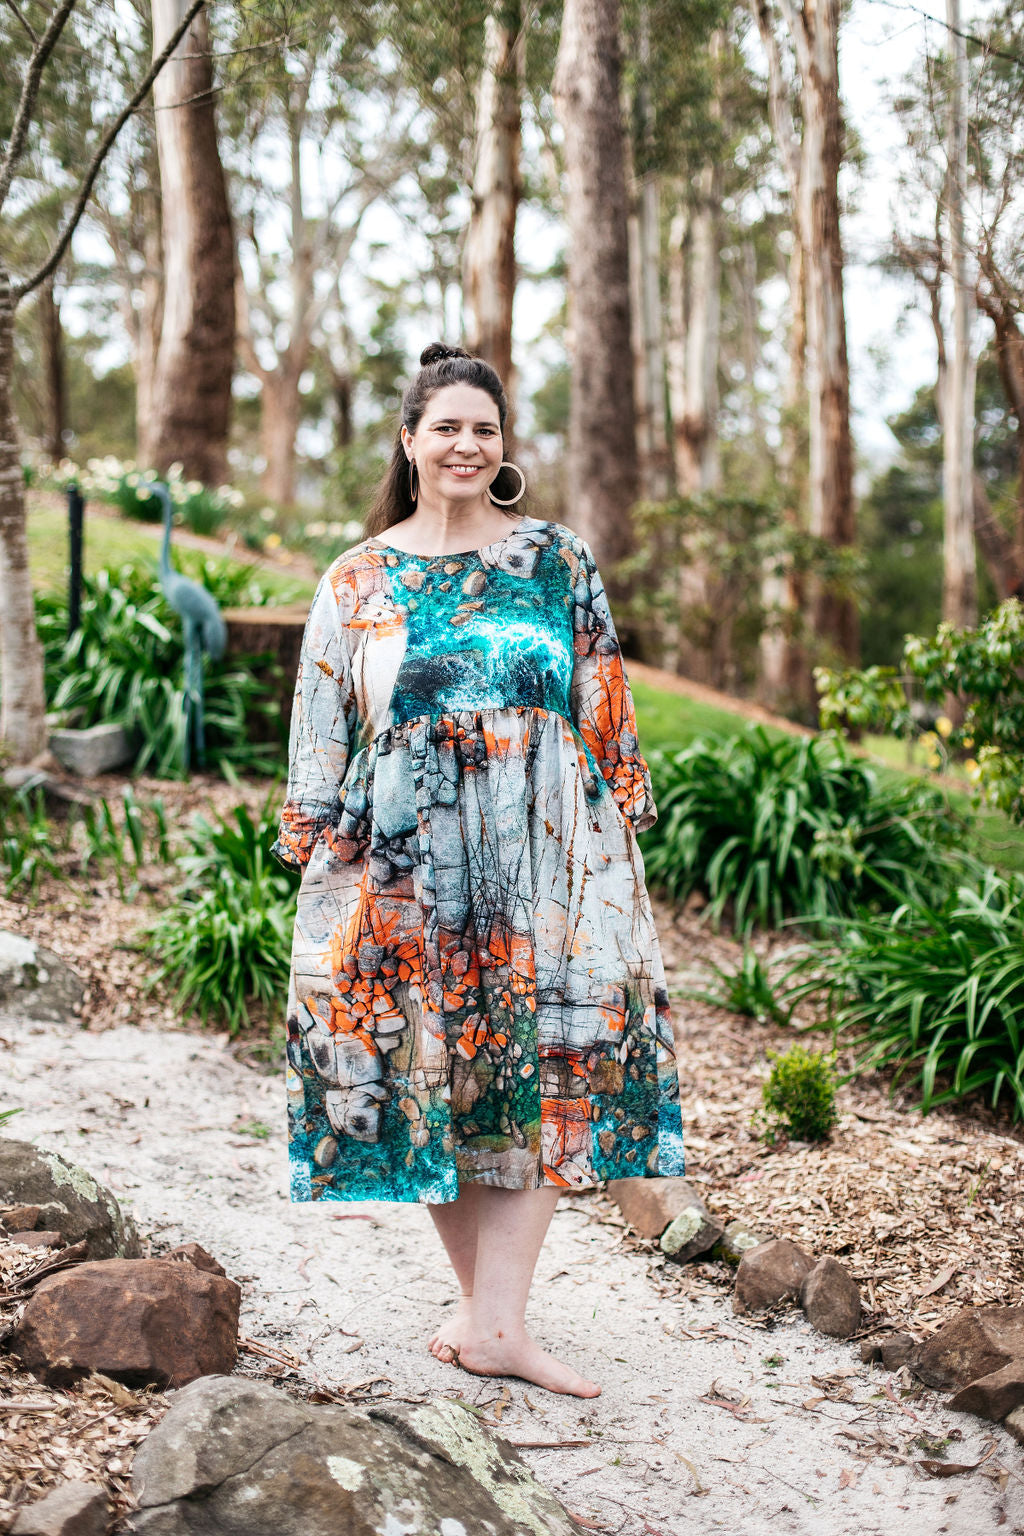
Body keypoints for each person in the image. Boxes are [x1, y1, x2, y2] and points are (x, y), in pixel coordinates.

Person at [272, 342, 684, 1398]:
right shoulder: (357, 577)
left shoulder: (556, 562)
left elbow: (601, 696)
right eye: (446, 425)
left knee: (545, 1071)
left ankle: (495, 1321)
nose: (466, 443)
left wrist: (624, 825)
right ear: (408, 441)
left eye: (485, 429)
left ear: (503, 450)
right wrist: (311, 839)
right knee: (431, 1072)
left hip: (550, 856)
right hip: (405, 862)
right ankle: (490, 1319)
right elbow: (321, 725)